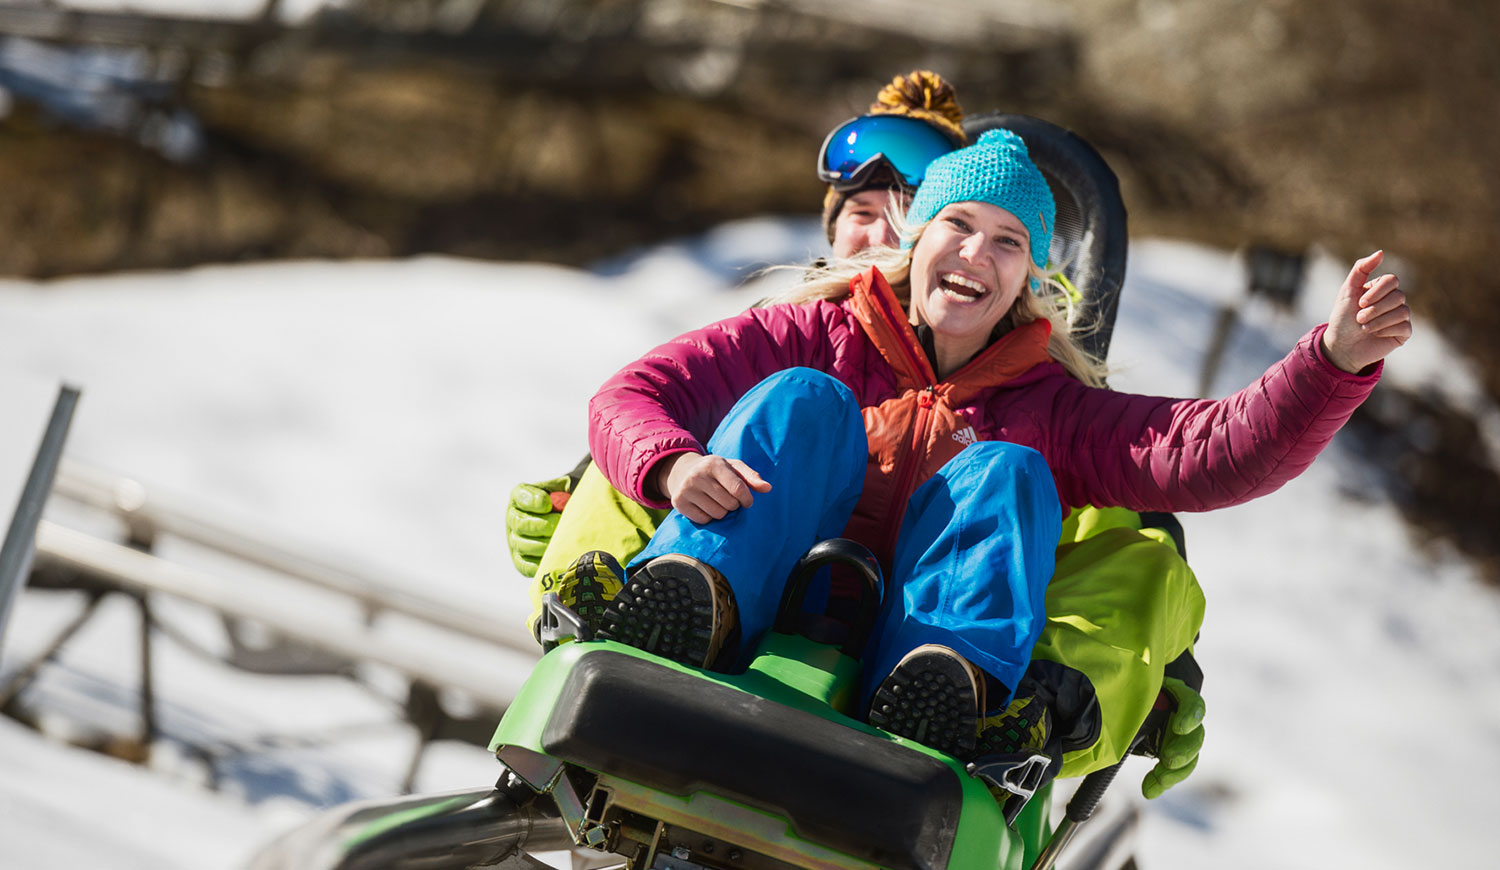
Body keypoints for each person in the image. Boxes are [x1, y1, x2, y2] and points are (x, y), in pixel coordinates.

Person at [577, 129, 1408, 798]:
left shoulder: (1049, 407)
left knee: (1007, 471)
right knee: (800, 399)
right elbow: (636, 392)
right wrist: (670, 467)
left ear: (1029, 276)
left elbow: (1215, 452)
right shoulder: (815, 332)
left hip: (899, 653)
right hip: (757, 601)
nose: (978, 253)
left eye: (1009, 242)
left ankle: (945, 684)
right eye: (961, 225)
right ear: (921, 236)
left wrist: (1334, 358)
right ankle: (691, 599)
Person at [510, 71, 1209, 796]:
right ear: (830, 226)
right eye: (861, 211)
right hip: (742, 608)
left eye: (904, 210)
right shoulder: (791, 338)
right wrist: (576, 513)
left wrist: (1161, 660)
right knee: (704, 436)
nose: (879, 233)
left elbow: (1130, 530)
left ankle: (1002, 704)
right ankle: (624, 608)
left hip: (927, 637)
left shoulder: (1035, 380)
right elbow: (643, 409)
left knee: (1037, 496)